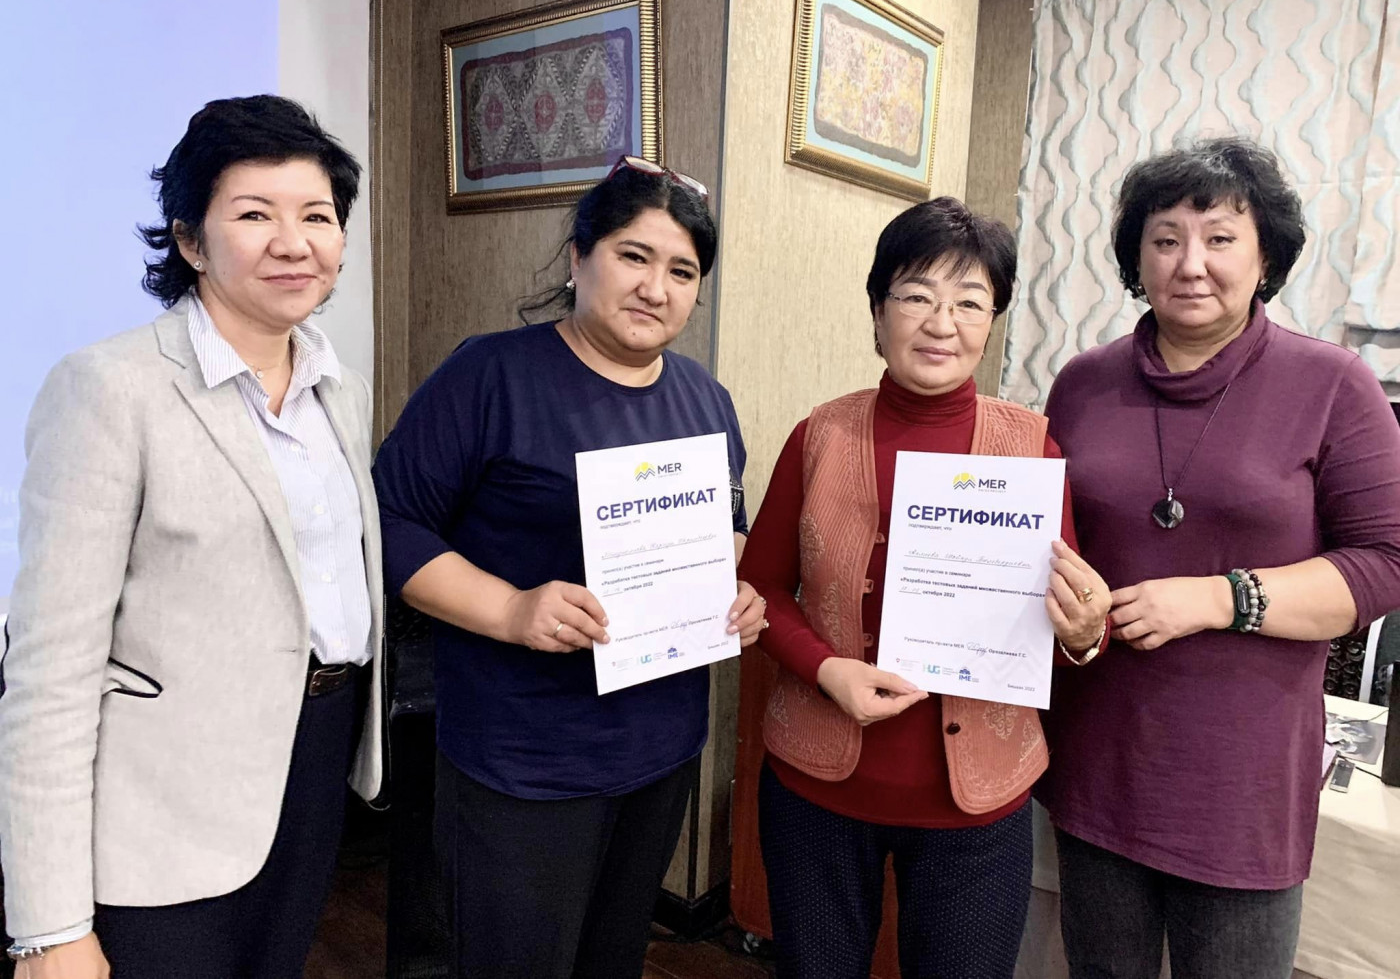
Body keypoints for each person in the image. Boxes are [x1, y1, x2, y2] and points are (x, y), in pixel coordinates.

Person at [0, 94, 384, 979]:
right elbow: (50, 673)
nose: (294, 242)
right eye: (254, 215)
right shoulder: (110, 388)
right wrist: (49, 928)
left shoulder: (339, 387)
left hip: (313, 762)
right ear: (190, 241)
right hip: (162, 804)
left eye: (317, 216)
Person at [372, 156, 764, 979]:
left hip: (659, 744)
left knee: (611, 960)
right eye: (634, 256)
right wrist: (511, 609)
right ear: (580, 256)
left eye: (682, 270)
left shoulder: (706, 398)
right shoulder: (491, 376)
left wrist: (739, 591)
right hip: (524, 753)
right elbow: (389, 521)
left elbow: (725, 530)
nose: (655, 287)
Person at [1041, 137, 1400, 979]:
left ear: (1265, 255)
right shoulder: (1083, 384)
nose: (1191, 264)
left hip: (1243, 786)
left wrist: (1218, 598)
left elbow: (1385, 560)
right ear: (1137, 258)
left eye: (1221, 238)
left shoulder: (1333, 385)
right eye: (1166, 239)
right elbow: (1050, 547)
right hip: (1099, 760)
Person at [739, 196, 1109, 979]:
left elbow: (1065, 626)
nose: (942, 323)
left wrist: (1084, 634)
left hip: (977, 805)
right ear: (878, 312)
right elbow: (760, 587)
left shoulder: (1032, 449)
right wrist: (826, 669)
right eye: (916, 295)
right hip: (816, 790)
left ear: (992, 321)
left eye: (970, 302)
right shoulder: (820, 434)